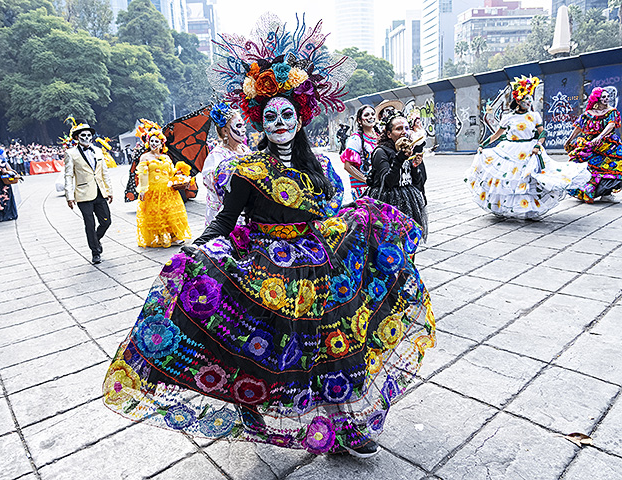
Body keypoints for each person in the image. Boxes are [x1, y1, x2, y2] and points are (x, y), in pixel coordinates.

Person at [102, 13, 435, 459]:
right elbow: (224, 221)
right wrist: (201, 246)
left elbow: (329, 210)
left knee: (337, 345)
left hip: (321, 263)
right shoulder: (245, 170)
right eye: (271, 115)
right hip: (269, 268)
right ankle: (260, 406)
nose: (280, 122)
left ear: (300, 118)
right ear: (260, 121)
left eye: (288, 114)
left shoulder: (319, 163)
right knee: (277, 349)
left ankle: (348, 421)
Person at [464, 75, 590, 219]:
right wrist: (483, 145)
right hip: (510, 150)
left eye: (530, 99)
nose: (529, 102)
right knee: (509, 180)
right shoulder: (508, 117)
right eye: (526, 99)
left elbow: (543, 133)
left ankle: (530, 209)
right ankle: (508, 208)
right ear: (518, 101)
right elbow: (497, 135)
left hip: (530, 151)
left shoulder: (534, 116)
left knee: (530, 180)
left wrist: (537, 145)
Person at [365, 107, 428, 240]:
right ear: (389, 133)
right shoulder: (380, 152)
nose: (404, 132)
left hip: (408, 201)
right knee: (391, 245)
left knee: (409, 242)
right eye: (399, 129)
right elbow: (388, 181)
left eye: (406, 128)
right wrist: (399, 159)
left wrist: (416, 166)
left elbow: (417, 181)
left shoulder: (409, 149)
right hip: (388, 203)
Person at [134, 120, 192, 248]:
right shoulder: (145, 157)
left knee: (171, 213)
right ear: (148, 143)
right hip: (153, 190)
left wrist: (180, 176)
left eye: (157, 141)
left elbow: (171, 173)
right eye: (152, 141)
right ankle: (160, 237)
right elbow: (142, 175)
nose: (154, 144)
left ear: (162, 144)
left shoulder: (166, 157)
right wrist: (142, 190)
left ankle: (175, 237)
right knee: (157, 214)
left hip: (168, 190)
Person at [64, 122, 113, 264]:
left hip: (99, 192)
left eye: (88, 135)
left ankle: (96, 240)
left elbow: (104, 172)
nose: (86, 137)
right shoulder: (71, 153)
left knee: (106, 221)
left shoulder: (98, 151)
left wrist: (109, 191)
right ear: (77, 138)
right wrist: (69, 196)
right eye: (83, 135)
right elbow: (68, 175)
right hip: (83, 193)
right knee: (89, 223)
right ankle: (95, 252)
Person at [564, 87, 622, 203]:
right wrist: (569, 140)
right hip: (589, 144)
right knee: (587, 169)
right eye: (603, 97)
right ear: (597, 99)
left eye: (608, 97)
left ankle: (606, 193)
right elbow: (578, 128)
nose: (606, 99)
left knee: (612, 168)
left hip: (607, 145)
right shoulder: (588, 114)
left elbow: (611, 125)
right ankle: (587, 191)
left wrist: (600, 137)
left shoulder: (612, 112)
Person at [201, 102, 251, 226]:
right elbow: (213, 183)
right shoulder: (217, 155)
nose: (243, 129)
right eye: (238, 126)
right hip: (225, 213)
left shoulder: (245, 149)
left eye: (243, 125)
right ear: (225, 131)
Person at [340, 105, 378, 200]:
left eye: (373, 114)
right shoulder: (355, 138)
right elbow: (347, 166)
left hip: (377, 186)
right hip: (362, 188)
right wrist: (365, 179)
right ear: (359, 121)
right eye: (366, 115)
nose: (371, 117)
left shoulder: (379, 136)